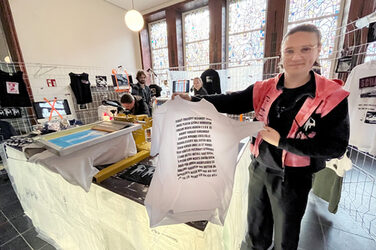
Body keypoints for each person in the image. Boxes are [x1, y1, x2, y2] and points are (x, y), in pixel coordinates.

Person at [173, 24, 349, 250]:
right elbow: (233, 102)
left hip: (293, 177)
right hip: (259, 168)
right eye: (290, 50)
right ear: (281, 55)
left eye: (306, 49)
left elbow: (335, 147)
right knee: (255, 229)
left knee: (285, 237)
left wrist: (282, 142)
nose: (296, 57)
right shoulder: (266, 87)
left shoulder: (331, 96)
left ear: (318, 50)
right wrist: (193, 100)